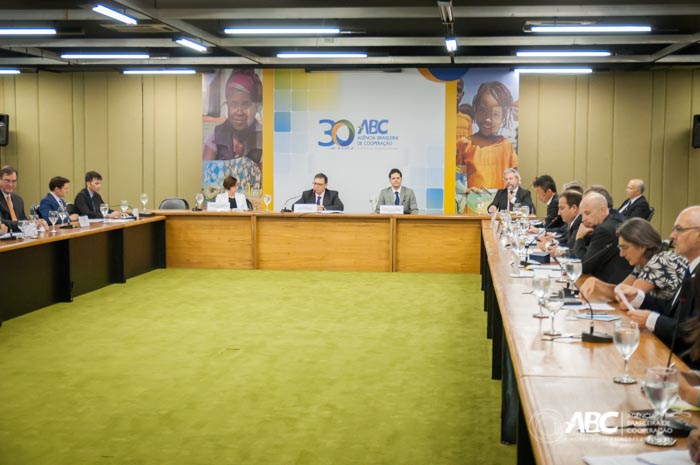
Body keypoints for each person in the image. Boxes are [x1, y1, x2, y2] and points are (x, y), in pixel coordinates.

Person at [615, 206, 700, 356]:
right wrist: (640, 298)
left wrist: (652, 320)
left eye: (679, 229)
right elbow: (672, 310)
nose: (672, 235)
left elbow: (691, 333)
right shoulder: (692, 267)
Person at [580, 218, 687, 301]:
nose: (621, 254)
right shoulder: (644, 261)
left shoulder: (659, 261)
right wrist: (595, 283)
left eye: (625, 248)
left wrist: (598, 285)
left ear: (642, 245)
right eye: (620, 248)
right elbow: (620, 291)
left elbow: (626, 300)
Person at [456, 81, 518, 189]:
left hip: (500, 200)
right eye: (483, 111)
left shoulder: (507, 147)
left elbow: (514, 181)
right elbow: (458, 181)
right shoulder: (464, 144)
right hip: (473, 200)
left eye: (495, 114)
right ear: (475, 109)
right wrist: (466, 190)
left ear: (503, 117)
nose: (488, 119)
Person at [202, 69, 262, 164]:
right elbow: (206, 171)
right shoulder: (215, 138)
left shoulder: (265, 138)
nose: (239, 112)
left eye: (246, 104)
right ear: (227, 105)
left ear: (257, 107)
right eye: (233, 104)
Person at [572, 192, 632, 284]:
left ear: (603, 210)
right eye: (582, 215)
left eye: (587, 213)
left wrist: (579, 237)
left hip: (612, 284)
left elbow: (583, 267)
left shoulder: (604, 230)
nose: (583, 219)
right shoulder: (613, 221)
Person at [0, 165, 28, 232]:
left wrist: (35, 223)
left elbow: (24, 219)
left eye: (13, 181)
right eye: (7, 181)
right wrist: (22, 224)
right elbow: (1, 222)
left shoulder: (19, 200)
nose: (10, 184)